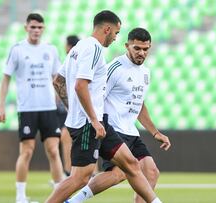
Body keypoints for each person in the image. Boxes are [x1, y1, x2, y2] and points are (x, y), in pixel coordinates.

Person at [46, 10, 162, 203]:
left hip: (95, 121)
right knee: (80, 178)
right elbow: (80, 85)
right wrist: (91, 118)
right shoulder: (95, 49)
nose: (116, 38)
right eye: (116, 33)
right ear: (107, 29)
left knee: (131, 165)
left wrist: (73, 109)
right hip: (89, 123)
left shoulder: (78, 47)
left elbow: (58, 82)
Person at [68, 28, 171, 203]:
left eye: (145, 49)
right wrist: (95, 122)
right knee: (120, 173)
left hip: (131, 131)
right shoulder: (115, 68)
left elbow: (139, 104)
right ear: (127, 46)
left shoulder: (145, 73)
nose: (141, 53)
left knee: (151, 172)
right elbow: (96, 95)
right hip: (114, 130)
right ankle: (74, 201)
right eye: (137, 48)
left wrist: (155, 132)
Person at [0, 13, 64, 203]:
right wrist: (1, 106)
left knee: (53, 150)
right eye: (33, 27)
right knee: (26, 151)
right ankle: (20, 197)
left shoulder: (50, 50)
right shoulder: (17, 49)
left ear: (43, 29)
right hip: (27, 108)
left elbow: (56, 79)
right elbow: (6, 77)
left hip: (48, 108)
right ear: (26, 27)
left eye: (39, 27)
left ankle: (60, 195)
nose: (36, 31)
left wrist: (65, 102)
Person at [57, 35, 80, 176]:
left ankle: (68, 172)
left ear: (69, 46)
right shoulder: (76, 60)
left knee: (66, 136)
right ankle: (90, 172)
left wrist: (68, 104)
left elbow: (58, 82)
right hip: (76, 106)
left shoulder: (72, 60)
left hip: (77, 107)